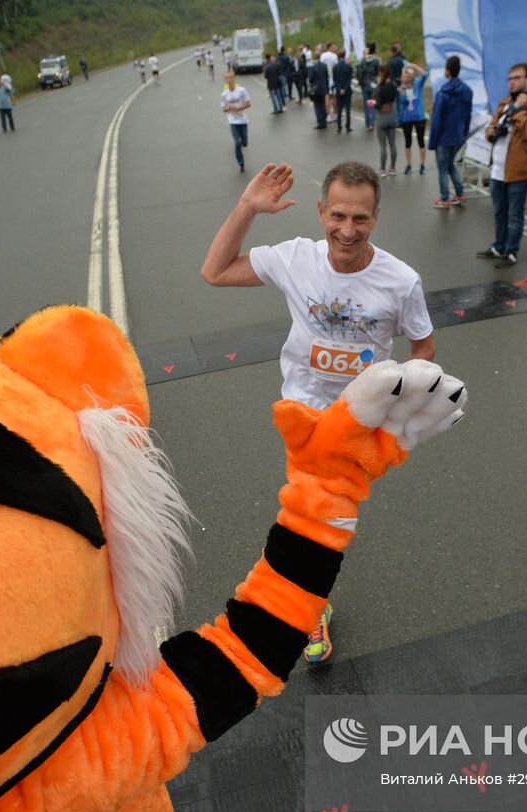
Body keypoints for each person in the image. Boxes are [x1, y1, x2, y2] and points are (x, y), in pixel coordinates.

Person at [199, 160, 437, 663]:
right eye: (338, 216)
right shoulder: (296, 259)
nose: (346, 231)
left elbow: (424, 346)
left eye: (360, 219)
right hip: (304, 414)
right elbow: (215, 272)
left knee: (330, 519)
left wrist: (401, 409)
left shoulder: (400, 281)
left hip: (360, 419)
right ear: (320, 211)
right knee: (317, 518)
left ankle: (309, 595)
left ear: (376, 218)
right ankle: (313, 606)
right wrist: (247, 207)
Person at [478, 63, 527, 267]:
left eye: (517, 78)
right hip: (498, 168)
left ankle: (511, 251)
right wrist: (490, 132)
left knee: (515, 215)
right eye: (510, 79)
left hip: (519, 171)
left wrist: (521, 109)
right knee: (499, 212)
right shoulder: (504, 102)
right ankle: (499, 246)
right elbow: (492, 127)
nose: (512, 82)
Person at [427, 54, 473, 209]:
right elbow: (468, 115)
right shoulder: (467, 91)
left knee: (442, 168)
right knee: (450, 164)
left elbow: (437, 120)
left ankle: (444, 198)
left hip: (444, 137)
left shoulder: (443, 94)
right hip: (458, 135)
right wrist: (464, 134)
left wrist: (433, 141)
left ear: (447, 70)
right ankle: (460, 193)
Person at [398, 63, 429, 174]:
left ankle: (422, 165)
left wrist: (414, 66)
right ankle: (408, 165)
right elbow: (402, 101)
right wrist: (403, 83)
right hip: (407, 118)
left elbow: (425, 75)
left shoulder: (418, 83)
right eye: (407, 73)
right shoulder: (403, 87)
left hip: (419, 117)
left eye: (410, 73)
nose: (408, 75)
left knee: (421, 142)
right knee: (408, 143)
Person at [221, 69, 251, 173]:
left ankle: (244, 144)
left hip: (243, 120)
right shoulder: (224, 94)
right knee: (237, 142)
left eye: (231, 78)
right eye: (227, 78)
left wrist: (239, 107)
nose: (229, 80)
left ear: (234, 78)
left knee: (244, 143)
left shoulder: (242, 90)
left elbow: (248, 104)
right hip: (233, 121)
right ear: (225, 80)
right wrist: (230, 108)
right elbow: (224, 109)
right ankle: (241, 162)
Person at [373, 67, 399, 175]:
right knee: (392, 144)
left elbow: (377, 105)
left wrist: (372, 103)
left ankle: (382, 169)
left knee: (383, 146)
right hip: (391, 116)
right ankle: (392, 167)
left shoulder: (380, 88)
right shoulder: (393, 86)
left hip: (382, 117)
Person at [358, 42, 381, 129]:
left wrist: (360, 82)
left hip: (365, 84)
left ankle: (368, 123)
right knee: (373, 104)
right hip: (374, 84)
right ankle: (372, 122)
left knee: (366, 104)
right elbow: (378, 73)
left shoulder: (362, 60)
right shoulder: (377, 60)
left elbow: (359, 73)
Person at [333, 53, 354, 132]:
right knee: (348, 108)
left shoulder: (335, 67)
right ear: (345, 56)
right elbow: (349, 79)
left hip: (338, 91)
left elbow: (335, 80)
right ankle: (348, 126)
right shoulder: (348, 67)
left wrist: (339, 89)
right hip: (347, 90)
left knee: (339, 109)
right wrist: (344, 88)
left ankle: (339, 126)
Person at [320, 43, 339, 119]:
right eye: (334, 47)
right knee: (334, 97)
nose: (335, 49)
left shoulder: (323, 56)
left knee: (327, 97)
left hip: (325, 78)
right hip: (333, 78)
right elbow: (336, 67)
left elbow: (321, 67)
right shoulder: (334, 56)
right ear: (330, 47)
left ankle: (328, 116)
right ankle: (335, 114)